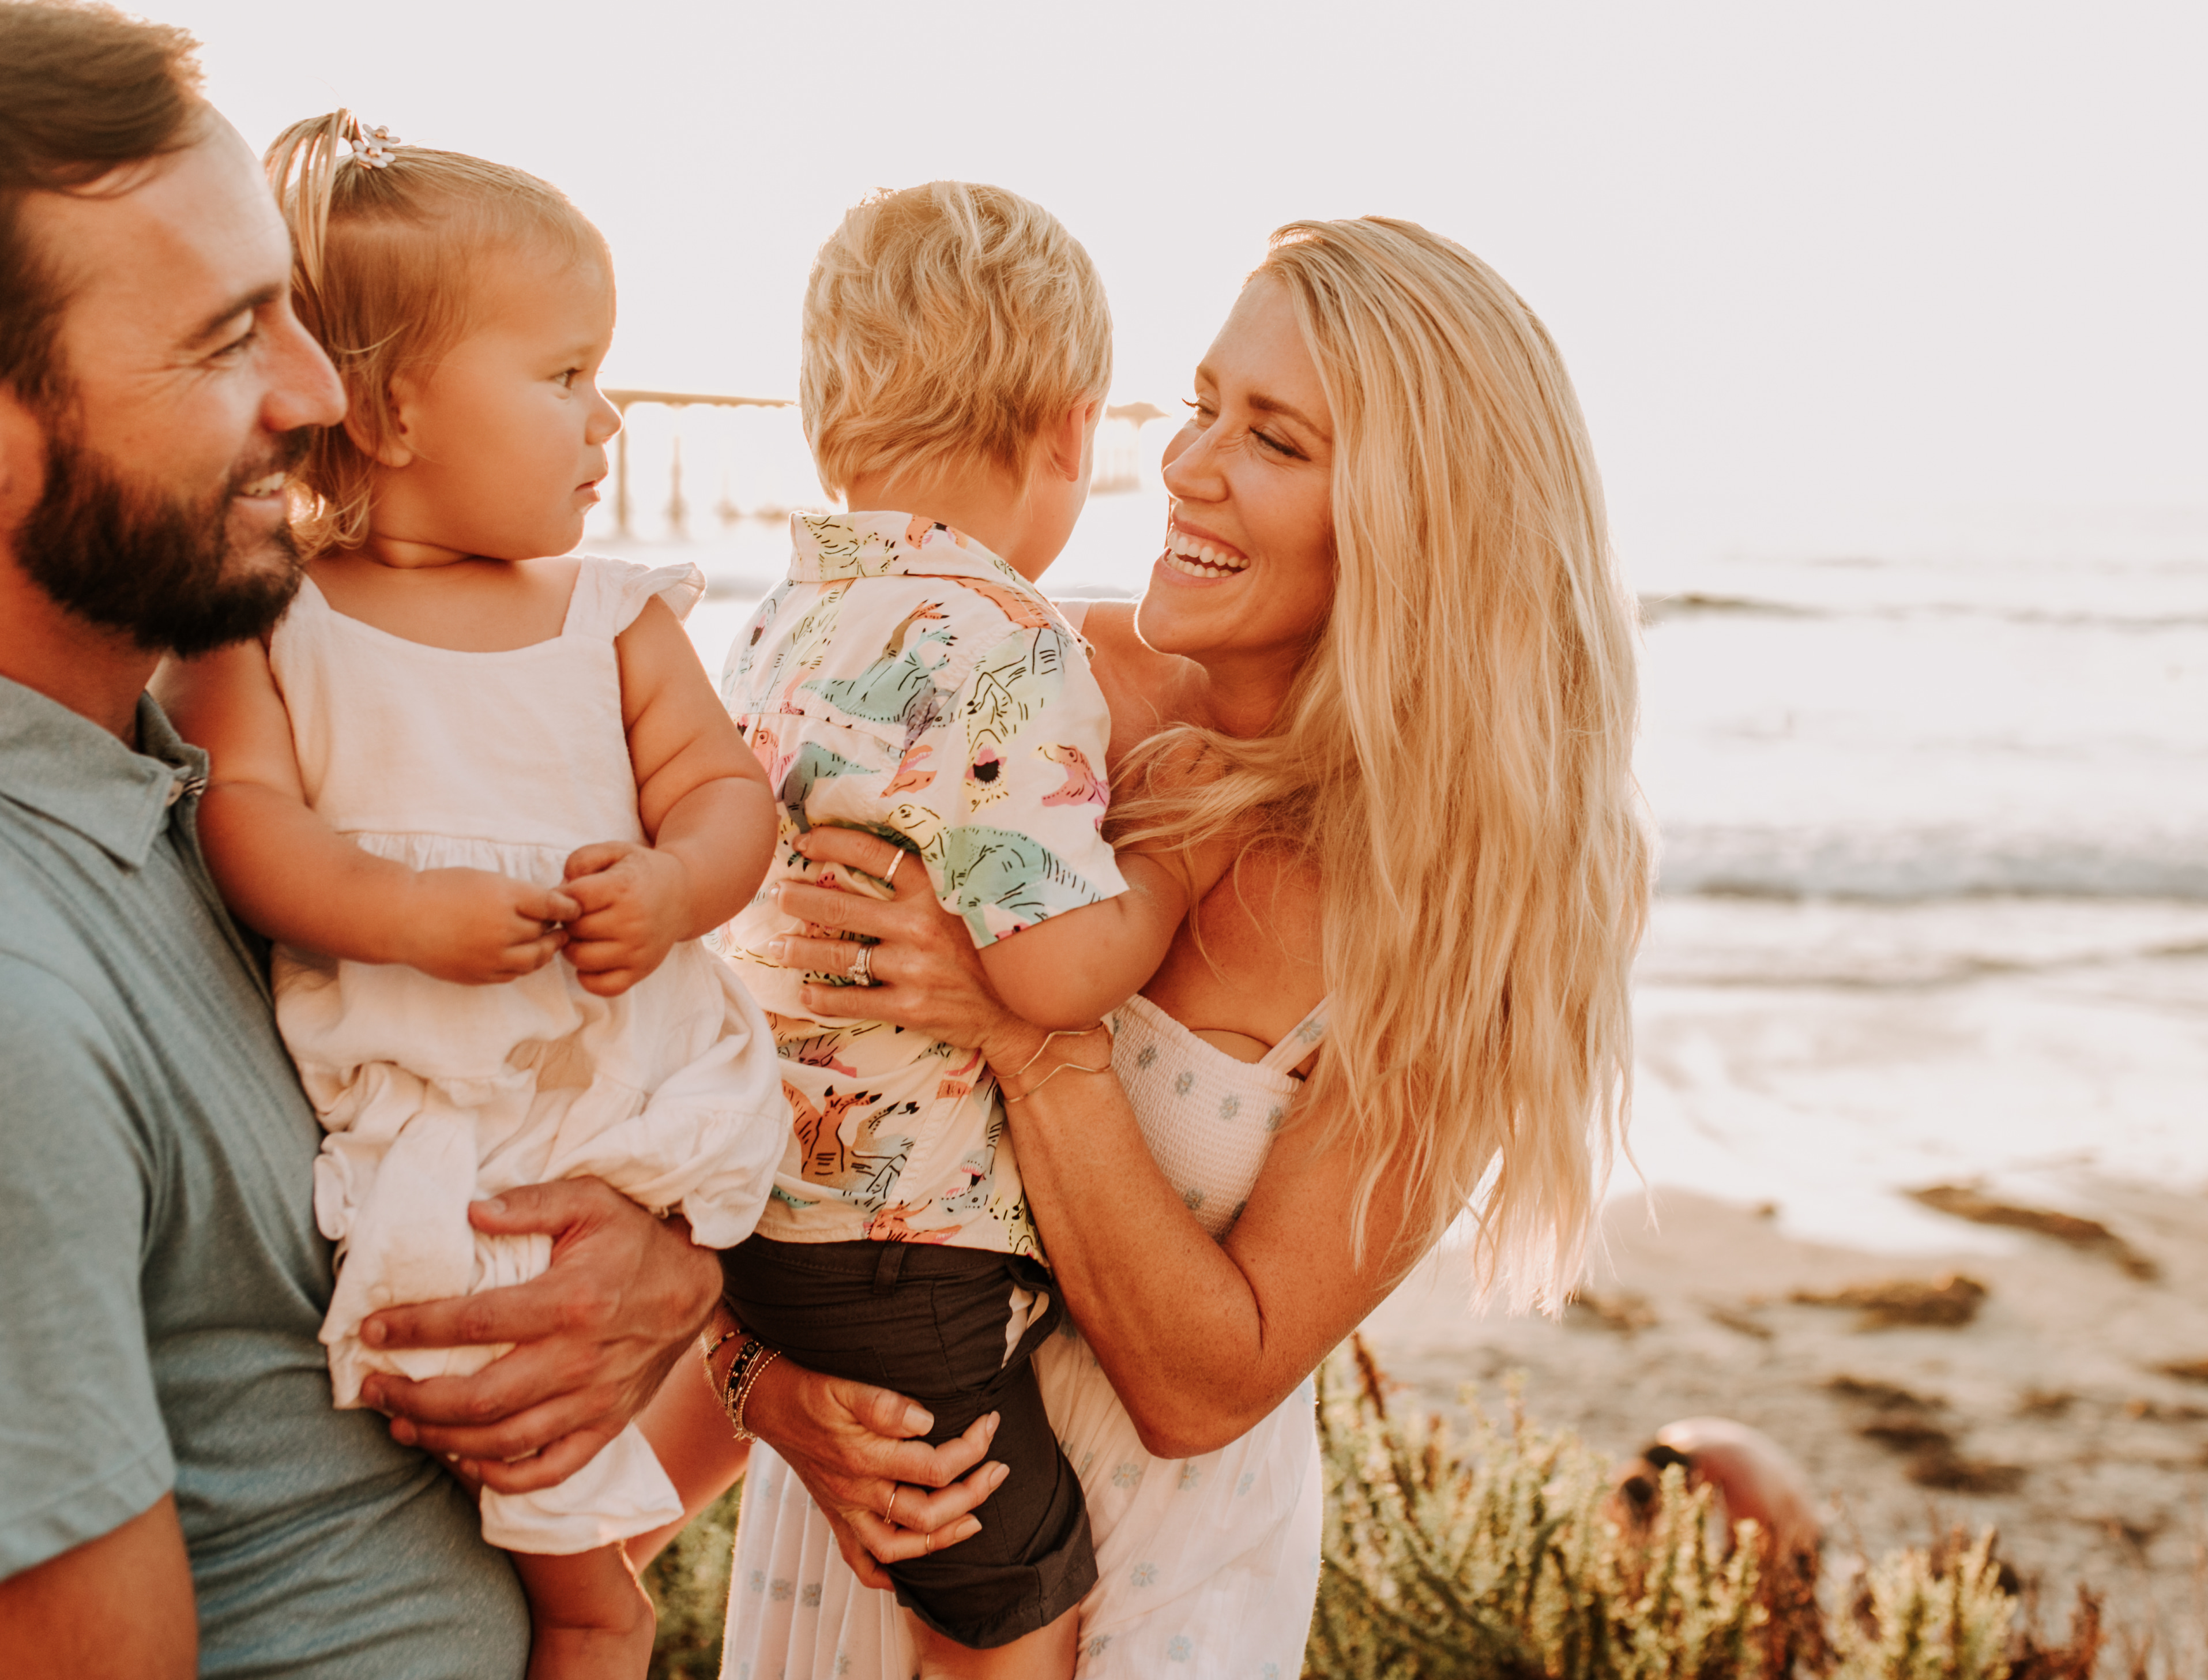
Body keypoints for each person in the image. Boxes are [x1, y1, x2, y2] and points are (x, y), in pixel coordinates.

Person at [0, 0, 714, 1679]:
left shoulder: (206, 737)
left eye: (290, 311)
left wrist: (671, 1263)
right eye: (227, 337)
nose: (320, 392)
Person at [645, 216, 1652, 1678]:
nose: (1183, 465)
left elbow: (1208, 1386)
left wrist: (1025, 1035)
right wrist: (766, 1389)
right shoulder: (1025, 687)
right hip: (876, 1514)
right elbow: (779, 1095)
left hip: (1150, 1589)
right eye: (1199, 406)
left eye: (1276, 440)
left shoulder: (1454, 917)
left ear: (1417, 523)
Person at [159, 112, 786, 1678]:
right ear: (388, 409)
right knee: (494, 1427)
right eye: (567, 376)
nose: (612, 419)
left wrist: (673, 882)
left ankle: (597, 1602)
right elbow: (248, 825)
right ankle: (580, 1604)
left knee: (607, 1479)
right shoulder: (272, 625)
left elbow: (729, 799)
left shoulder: (609, 619)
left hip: (632, 1102)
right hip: (444, 1126)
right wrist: (394, 909)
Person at [667, 182, 1208, 1676]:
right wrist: (1159, 875)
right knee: (1011, 1585)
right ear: (1069, 432)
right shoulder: (1013, 648)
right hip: (910, 1256)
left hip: (763, 1222)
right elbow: (1043, 967)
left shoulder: (774, 622)